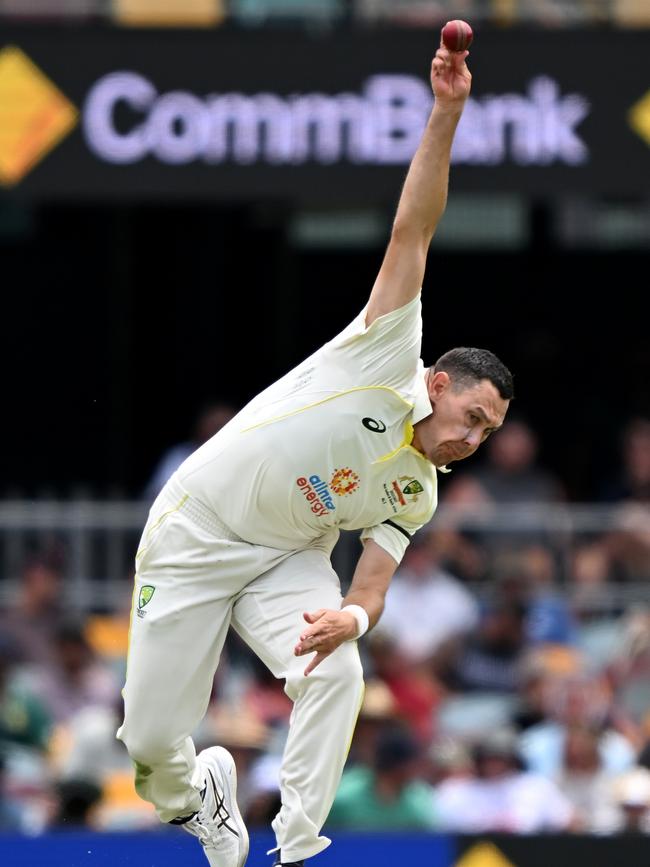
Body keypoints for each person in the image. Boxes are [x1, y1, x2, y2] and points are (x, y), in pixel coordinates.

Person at [117, 38, 513, 867]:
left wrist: (354, 616)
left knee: (338, 671)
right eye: (472, 414)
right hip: (197, 531)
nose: (474, 439)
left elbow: (370, 585)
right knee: (151, 742)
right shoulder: (383, 353)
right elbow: (417, 224)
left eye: (489, 433)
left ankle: (293, 849)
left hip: (286, 557)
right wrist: (446, 114)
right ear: (438, 383)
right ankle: (199, 801)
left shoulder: (419, 490)